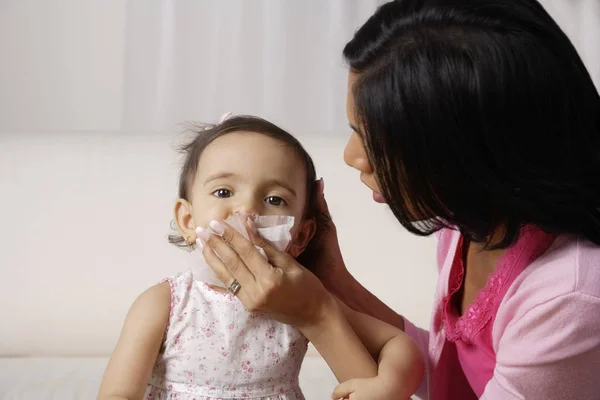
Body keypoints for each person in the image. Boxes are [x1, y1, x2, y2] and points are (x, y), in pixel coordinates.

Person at [195, 1, 600, 399]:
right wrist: (333, 282)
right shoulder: (467, 223)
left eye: (375, 140)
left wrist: (318, 316)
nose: (351, 156)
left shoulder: (569, 299)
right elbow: (453, 381)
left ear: (466, 153)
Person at [96, 114, 424, 400]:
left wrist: (393, 382)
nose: (248, 210)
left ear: (301, 236)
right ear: (187, 221)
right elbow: (118, 392)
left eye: (274, 199)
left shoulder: (300, 301)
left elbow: (396, 343)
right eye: (224, 192)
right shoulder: (165, 304)